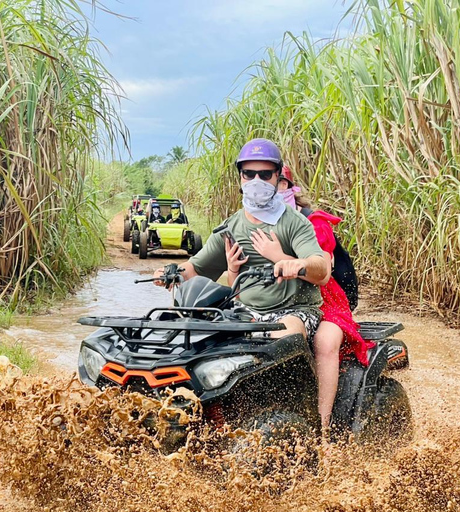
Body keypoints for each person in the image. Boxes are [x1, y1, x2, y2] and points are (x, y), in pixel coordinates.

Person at [153, 138, 331, 344]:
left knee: (287, 336)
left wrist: (299, 264)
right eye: (249, 174)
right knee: (196, 339)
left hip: (294, 311)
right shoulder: (230, 228)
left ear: (277, 177)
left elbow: (321, 270)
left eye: (265, 175)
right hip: (244, 312)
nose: (257, 180)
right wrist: (171, 273)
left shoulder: (295, 223)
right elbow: (196, 268)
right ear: (240, 176)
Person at [250, 165, 373, 428]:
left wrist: (279, 257)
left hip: (325, 298)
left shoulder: (314, 224)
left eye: (279, 183)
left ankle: (323, 426)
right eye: (255, 178)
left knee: (325, 341)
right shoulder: (257, 220)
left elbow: (323, 269)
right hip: (281, 299)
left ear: (289, 188)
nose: (269, 188)